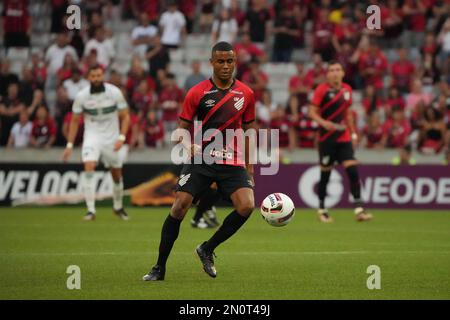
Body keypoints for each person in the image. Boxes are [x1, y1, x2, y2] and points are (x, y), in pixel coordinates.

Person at [143, 42, 256, 281]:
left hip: (231, 160)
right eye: (221, 61)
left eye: (230, 61)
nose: (226, 66)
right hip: (201, 158)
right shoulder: (197, 92)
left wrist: (250, 166)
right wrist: (188, 146)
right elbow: (181, 130)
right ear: (212, 63)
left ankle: (207, 248)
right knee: (180, 206)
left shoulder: (246, 93)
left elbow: (249, 131)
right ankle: (159, 267)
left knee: (246, 206)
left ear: (235, 63)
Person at [62, 65, 131, 221]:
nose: (97, 78)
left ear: (103, 76)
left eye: (99, 75)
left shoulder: (114, 92)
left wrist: (121, 138)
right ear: (89, 78)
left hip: (112, 138)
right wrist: (69, 145)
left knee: (116, 175)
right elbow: (74, 121)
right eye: (93, 76)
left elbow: (125, 116)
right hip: (92, 136)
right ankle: (91, 210)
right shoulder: (82, 96)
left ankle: (118, 207)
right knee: (89, 166)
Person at [308, 61, 373, 223]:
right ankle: (322, 209)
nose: (335, 73)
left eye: (338, 69)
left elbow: (347, 113)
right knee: (325, 175)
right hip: (326, 140)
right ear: (327, 74)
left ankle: (359, 209)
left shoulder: (347, 90)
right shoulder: (321, 90)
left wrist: (353, 134)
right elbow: (311, 112)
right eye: (332, 70)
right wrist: (323, 123)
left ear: (343, 73)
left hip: (343, 138)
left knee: (352, 171)